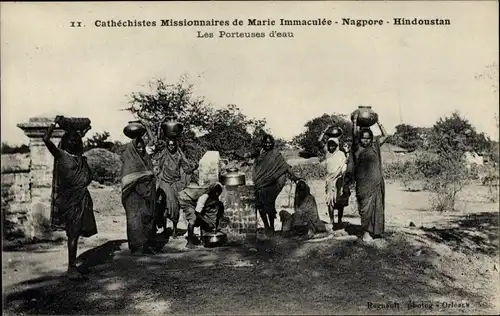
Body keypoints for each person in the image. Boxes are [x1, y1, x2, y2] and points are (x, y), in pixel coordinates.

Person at [44, 116, 96, 280]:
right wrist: (53, 124)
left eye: (76, 140)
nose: (74, 142)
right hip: (70, 200)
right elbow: (46, 139)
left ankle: (72, 266)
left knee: (76, 234)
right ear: (65, 142)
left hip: (82, 199)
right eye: (71, 140)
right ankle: (71, 268)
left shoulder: (80, 158)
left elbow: (88, 177)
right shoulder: (60, 155)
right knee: (72, 234)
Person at [229, 134, 301, 237]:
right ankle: (266, 225)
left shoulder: (276, 153)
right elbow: (246, 155)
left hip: (272, 184)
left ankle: (271, 226)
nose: (268, 144)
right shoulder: (259, 152)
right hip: (260, 184)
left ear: (272, 143)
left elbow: (284, 166)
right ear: (263, 143)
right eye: (266, 142)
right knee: (260, 206)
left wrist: (294, 176)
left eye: (270, 142)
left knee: (270, 206)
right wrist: (236, 153)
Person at [345, 118, 390, 242]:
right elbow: (354, 136)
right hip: (363, 185)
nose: (366, 140)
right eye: (363, 138)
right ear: (360, 138)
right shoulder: (357, 148)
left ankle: (376, 231)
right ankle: (366, 233)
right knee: (365, 209)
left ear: (371, 138)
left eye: (368, 138)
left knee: (377, 207)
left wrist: (378, 122)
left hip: (376, 183)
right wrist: (354, 123)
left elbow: (385, 136)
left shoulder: (375, 146)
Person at [120, 136, 157, 255]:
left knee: (148, 217)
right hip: (133, 196)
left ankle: (146, 245)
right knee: (135, 220)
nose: (141, 150)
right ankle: (136, 246)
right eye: (138, 148)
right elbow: (128, 179)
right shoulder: (129, 160)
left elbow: (150, 174)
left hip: (147, 194)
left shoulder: (146, 159)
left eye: (142, 147)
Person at [155, 137, 196, 238]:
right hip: (164, 182)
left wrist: (192, 168)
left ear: (176, 145)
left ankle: (174, 229)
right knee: (163, 206)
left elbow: (186, 168)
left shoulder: (179, 155)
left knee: (175, 207)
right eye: (169, 145)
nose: (171, 147)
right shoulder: (164, 153)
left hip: (175, 183)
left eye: (173, 145)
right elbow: (156, 143)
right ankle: (164, 229)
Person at [318, 126, 349, 228]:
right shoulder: (327, 154)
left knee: (339, 201)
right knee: (330, 201)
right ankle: (331, 220)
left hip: (339, 180)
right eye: (329, 145)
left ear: (337, 145)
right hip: (330, 181)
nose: (331, 147)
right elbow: (319, 141)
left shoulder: (341, 154)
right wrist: (324, 130)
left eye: (333, 145)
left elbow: (346, 164)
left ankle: (339, 220)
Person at [178, 182, 225, 248]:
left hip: (195, 202)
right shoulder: (204, 197)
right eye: (216, 194)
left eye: (219, 194)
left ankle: (203, 239)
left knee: (204, 217)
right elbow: (197, 212)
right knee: (193, 218)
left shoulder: (215, 192)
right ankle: (189, 243)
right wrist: (207, 221)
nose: (218, 195)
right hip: (186, 200)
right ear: (212, 193)